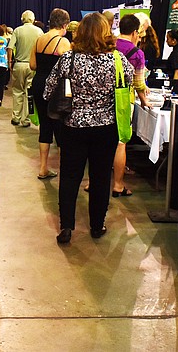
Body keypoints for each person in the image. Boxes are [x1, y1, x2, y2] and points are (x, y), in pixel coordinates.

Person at [44, 12, 134, 245]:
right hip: (106, 127)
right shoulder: (117, 59)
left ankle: (66, 227)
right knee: (101, 176)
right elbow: (129, 82)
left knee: (70, 176)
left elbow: (49, 89)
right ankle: (97, 225)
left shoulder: (69, 59)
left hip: (73, 126)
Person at [29, 8, 71, 179]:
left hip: (38, 84)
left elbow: (32, 65)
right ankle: (64, 170)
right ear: (64, 25)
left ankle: (43, 168)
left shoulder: (39, 40)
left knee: (45, 126)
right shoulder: (63, 42)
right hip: (56, 89)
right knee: (60, 128)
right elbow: (68, 69)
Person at [111, 13, 150, 197]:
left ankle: (94, 183)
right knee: (120, 143)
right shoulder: (137, 53)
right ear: (135, 32)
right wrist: (144, 100)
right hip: (124, 100)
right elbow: (139, 83)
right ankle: (118, 184)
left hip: (104, 99)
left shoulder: (109, 45)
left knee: (102, 142)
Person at [8, 10, 42, 127]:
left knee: (17, 91)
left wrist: (9, 62)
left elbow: (10, 48)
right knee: (29, 92)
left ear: (22, 19)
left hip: (19, 64)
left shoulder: (17, 30)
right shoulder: (39, 31)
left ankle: (16, 117)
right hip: (32, 66)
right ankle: (26, 119)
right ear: (33, 19)